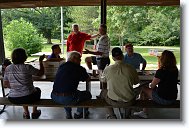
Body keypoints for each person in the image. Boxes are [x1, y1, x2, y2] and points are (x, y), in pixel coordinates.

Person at [133, 50, 178, 118]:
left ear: (163, 59)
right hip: (173, 97)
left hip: (164, 99)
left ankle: (144, 111)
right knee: (147, 92)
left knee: (143, 89)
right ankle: (143, 108)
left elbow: (151, 86)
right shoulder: (175, 69)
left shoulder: (161, 71)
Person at [3, 48, 45, 119]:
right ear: (24, 57)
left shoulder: (8, 68)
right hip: (28, 97)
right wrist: (40, 61)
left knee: (24, 93)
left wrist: (15, 87)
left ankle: (26, 113)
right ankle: (34, 112)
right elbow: (41, 73)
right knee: (37, 90)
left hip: (13, 98)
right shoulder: (27, 67)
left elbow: (5, 84)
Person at [99, 47, 139, 119]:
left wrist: (100, 74)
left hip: (113, 101)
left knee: (103, 93)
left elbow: (103, 80)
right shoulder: (131, 68)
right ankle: (127, 115)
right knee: (134, 92)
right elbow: (136, 82)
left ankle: (112, 115)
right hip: (129, 101)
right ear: (123, 56)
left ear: (113, 58)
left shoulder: (108, 69)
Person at [51, 51, 92, 119]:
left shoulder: (62, 66)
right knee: (87, 94)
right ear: (73, 58)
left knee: (68, 92)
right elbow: (87, 79)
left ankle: (68, 114)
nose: (80, 60)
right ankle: (79, 112)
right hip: (68, 98)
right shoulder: (79, 68)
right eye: (79, 58)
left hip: (54, 96)